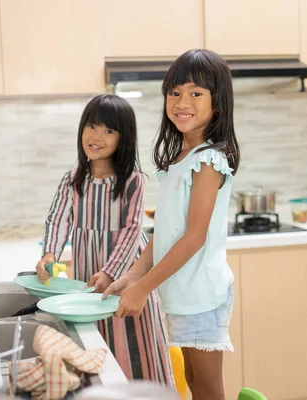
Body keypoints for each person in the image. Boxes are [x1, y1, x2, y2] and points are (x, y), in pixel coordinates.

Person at [102, 49, 240, 400]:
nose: (182, 101)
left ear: (217, 102)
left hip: (201, 294)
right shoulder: (181, 158)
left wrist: (143, 288)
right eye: (175, 92)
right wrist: (131, 277)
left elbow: (193, 239)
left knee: (207, 387)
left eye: (196, 93)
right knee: (194, 380)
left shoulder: (209, 160)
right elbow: (166, 233)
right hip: (184, 293)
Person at [36, 94, 174, 386]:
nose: (97, 136)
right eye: (92, 126)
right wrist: (50, 255)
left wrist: (111, 271)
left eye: (109, 131)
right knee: (96, 342)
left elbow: (132, 229)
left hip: (125, 275)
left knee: (134, 342)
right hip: (88, 275)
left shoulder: (133, 181)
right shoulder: (72, 180)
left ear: (123, 140)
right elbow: (58, 219)